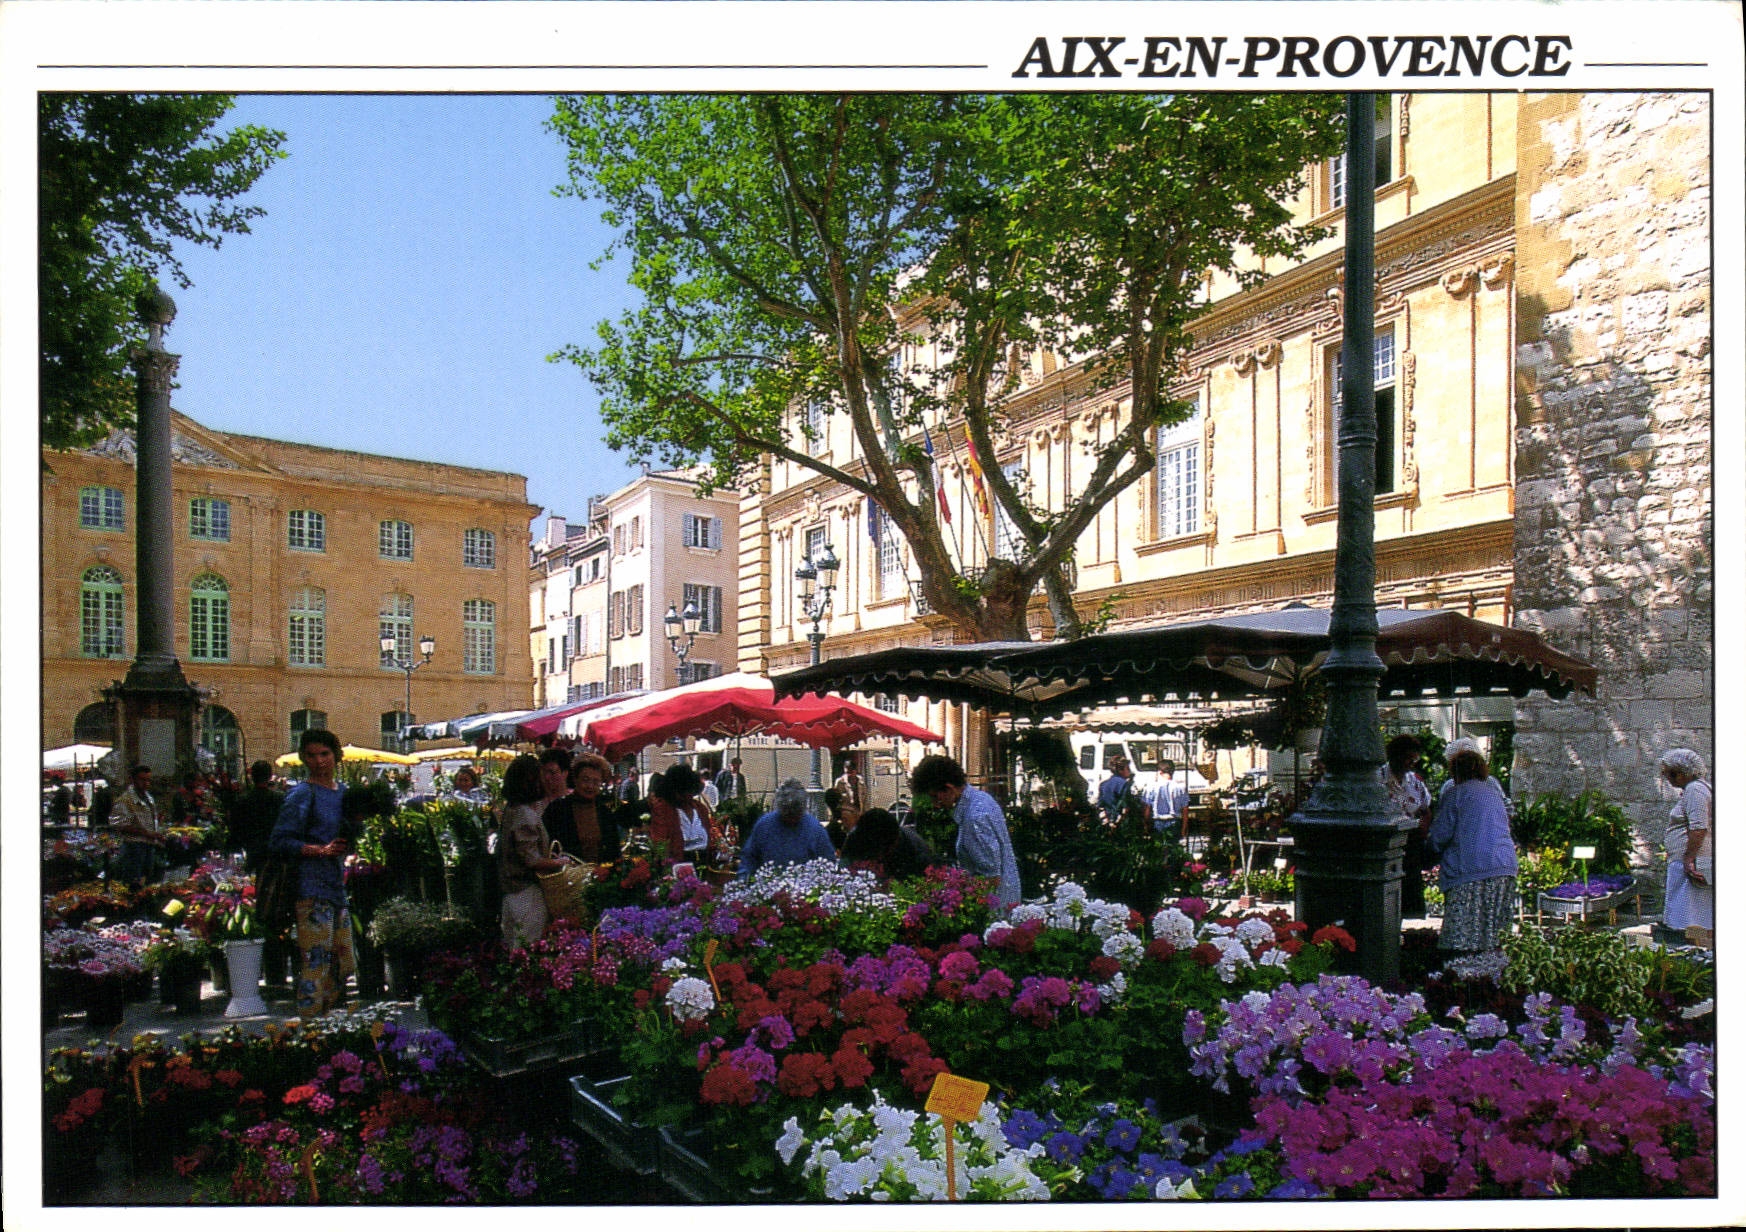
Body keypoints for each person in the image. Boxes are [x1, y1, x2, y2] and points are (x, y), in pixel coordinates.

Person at [267, 730, 356, 1016]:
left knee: (345, 963)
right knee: (315, 963)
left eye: (325, 754)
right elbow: (279, 841)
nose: (319, 761)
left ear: (336, 755)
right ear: (304, 758)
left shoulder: (343, 792)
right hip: (310, 888)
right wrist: (319, 850)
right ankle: (310, 1030)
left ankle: (327, 1019)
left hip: (336, 886)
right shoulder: (302, 793)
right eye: (312, 755)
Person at [1424, 737, 1518, 972]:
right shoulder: (1492, 792)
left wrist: (1425, 851)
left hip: (1470, 871)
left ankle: (1460, 987)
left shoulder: (1455, 795)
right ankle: (1493, 982)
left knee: (1462, 941)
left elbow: (1439, 837)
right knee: (1493, 936)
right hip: (1503, 867)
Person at [910, 754, 1021, 913]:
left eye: (935, 797)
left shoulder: (973, 818)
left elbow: (991, 878)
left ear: (949, 788)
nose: (935, 804)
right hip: (1006, 896)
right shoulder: (982, 799)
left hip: (995, 908)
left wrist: (956, 895)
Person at [497, 753, 568, 947]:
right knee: (527, 950)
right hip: (525, 894)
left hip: (511, 892)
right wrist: (561, 863)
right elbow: (532, 860)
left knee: (513, 950)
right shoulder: (524, 815)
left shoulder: (512, 810)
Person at [1658, 748, 1712, 936]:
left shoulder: (1695, 789)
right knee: (1690, 912)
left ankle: (1694, 948)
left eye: (1668, 774)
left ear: (1679, 773)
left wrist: (1689, 859)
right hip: (1687, 860)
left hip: (1691, 861)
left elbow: (1699, 827)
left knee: (1689, 916)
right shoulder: (1695, 789)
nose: (1667, 779)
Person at [738, 778, 835, 879]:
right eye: (786, 814)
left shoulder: (815, 829)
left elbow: (828, 864)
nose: (791, 819)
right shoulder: (764, 825)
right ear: (779, 808)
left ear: (802, 810)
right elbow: (749, 858)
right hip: (768, 887)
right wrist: (744, 878)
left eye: (795, 815)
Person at [1382, 735, 1434, 919]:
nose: (1410, 764)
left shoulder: (1415, 782)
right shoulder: (1378, 779)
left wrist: (1423, 830)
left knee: (1409, 892)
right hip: (1386, 844)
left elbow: (1426, 810)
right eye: (1407, 759)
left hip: (1411, 844)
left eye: (1414, 760)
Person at [549, 752, 625, 863]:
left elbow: (614, 851)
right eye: (585, 780)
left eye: (596, 781)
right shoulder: (557, 809)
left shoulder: (605, 813)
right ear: (575, 779)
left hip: (601, 876)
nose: (590, 786)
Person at [647, 764, 722, 865]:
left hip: (705, 862)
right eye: (681, 791)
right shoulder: (663, 810)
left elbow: (710, 837)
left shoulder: (700, 808)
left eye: (688, 790)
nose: (686, 795)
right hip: (680, 864)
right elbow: (660, 843)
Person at [841, 806, 935, 882]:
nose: (879, 857)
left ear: (895, 841)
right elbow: (842, 872)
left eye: (882, 852)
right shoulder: (855, 838)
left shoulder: (916, 850)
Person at [111, 764, 167, 887]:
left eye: (148, 780)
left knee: (148, 882)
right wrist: (146, 833)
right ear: (132, 779)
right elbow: (120, 826)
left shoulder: (148, 798)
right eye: (142, 780)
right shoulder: (124, 800)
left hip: (149, 845)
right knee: (133, 883)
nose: (146, 783)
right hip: (134, 848)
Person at [227, 759, 284, 873]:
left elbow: (234, 827)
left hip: (249, 851)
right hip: (272, 853)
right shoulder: (279, 799)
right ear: (269, 777)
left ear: (252, 776)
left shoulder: (242, 800)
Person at [1097, 754, 1147, 826]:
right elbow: (1125, 805)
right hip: (1121, 822)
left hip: (1107, 819)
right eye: (1128, 768)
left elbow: (1100, 804)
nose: (1130, 771)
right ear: (1120, 770)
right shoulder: (1123, 784)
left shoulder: (1103, 784)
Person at [1146, 759, 1190, 840]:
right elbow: (1185, 811)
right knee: (1173, 850)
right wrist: (1183, 829)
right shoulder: (1181, 788)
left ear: (1160, 772)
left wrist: (1146, 826)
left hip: (1157, 823)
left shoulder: (1151, 787)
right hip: (1174, 823)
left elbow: (1147, 809)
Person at [537, 748, 573, 814]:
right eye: (544, 772)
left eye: (552, 772)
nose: (546, 777)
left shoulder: (576, 801)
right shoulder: (534, 805)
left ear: (565, 773)